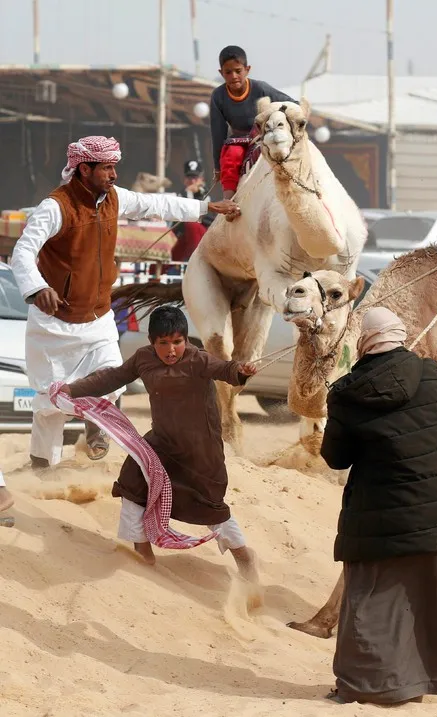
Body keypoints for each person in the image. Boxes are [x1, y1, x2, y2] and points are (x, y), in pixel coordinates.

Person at [9, 136, 239, 485]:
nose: (114, 174)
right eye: (107, 167)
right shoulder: (56, 207)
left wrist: (206, 208)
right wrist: (37, 287)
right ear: (84, 169)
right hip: (53, 326)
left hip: (98, 317)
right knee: (49, 406)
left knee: (111, 378)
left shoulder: (115, 198)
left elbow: (156, 204)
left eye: (115, 166)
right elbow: (22, 253)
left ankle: (96, 431)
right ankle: (42, 475)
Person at [320, 307, 437, 706]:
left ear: (364, 342)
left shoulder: (346, 393)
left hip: (379, 522)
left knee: (369, 604)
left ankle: (359, 687)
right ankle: (418, 684)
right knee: (425, 605)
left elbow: (336, 458)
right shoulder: (434, 374)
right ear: (401, 335)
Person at [58, 306, 259, 575]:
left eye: (177, 341)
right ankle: (142, 552)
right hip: (162, 442)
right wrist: (71, 389)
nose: (171, 349)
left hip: (201, 451)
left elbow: (226, 369)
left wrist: (242, 371)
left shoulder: (198, 359)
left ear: (186, 340)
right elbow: (112, 378)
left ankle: (244, 557)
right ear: (152, 342)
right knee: (131, 481)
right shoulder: (143, 358)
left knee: (210, 508)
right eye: (163, 343)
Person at [211, 45, 296, 201]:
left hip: (264, 137)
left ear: (247, 69)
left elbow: (291, 103)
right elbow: (217, 133)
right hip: (238, 141)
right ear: (221, 73)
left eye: (238, 71)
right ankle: (228, 201)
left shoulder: (261, 88)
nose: (234, 76)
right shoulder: (218, 96)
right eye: (228, 72)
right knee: (231, 155)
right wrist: (218, 167)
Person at [172, 159, 213, 262]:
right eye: (189, 177)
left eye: (195, 177)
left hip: (203, 238)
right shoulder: (181, 195)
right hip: (183, 237)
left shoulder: (206, 195)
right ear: (184, 180)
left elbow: (204, 218)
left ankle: (195, 261)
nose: (192, 181)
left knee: (192, 224)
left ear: (201, 180)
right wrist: (188, 193)